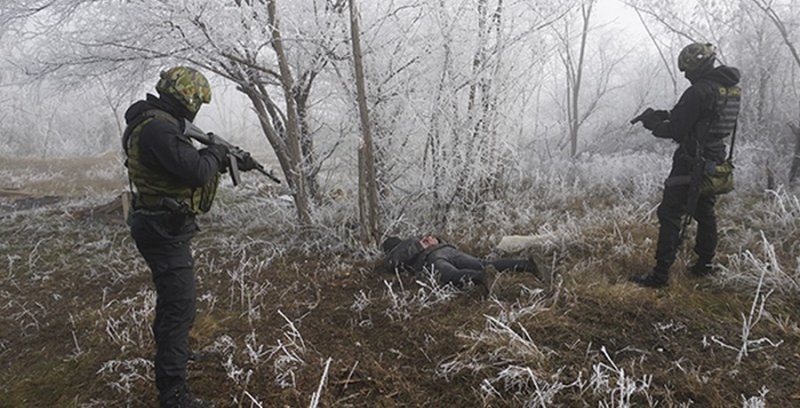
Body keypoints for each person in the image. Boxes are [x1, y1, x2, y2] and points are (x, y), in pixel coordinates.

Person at [122, 66, 255, 407]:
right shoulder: (158, 130)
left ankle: (174, 355)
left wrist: (228, 158)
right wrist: (215, 153)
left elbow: (182, 167)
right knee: (179, 308)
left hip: (163, 225)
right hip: (161, 228)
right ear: (188, 99)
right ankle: (173, 392)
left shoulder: (158, 124)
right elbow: (196, 171)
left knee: (173, 305)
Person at [630, 43, 741, 288]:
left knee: (669, 213)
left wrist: (654, 124)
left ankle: (660, 275)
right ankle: (705, 264)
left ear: (696, 66)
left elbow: (678, 130)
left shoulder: (698, 91)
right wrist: (666, 113)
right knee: (705, 212)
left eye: (686, 70)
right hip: (715, 158)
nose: (685, 75)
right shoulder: (729, 88)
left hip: (691, 162)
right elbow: (701, 118)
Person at [381, 235, 545, 290]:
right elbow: (439, 239)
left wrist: (419, 246)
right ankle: (527, 264)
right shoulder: (418, 237)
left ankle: (482, 278)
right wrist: (436, 240)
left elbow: (392, 263)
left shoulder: (400, 248)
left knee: (451, 275)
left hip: (432, 259)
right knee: (483, 262)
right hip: (448, 250)